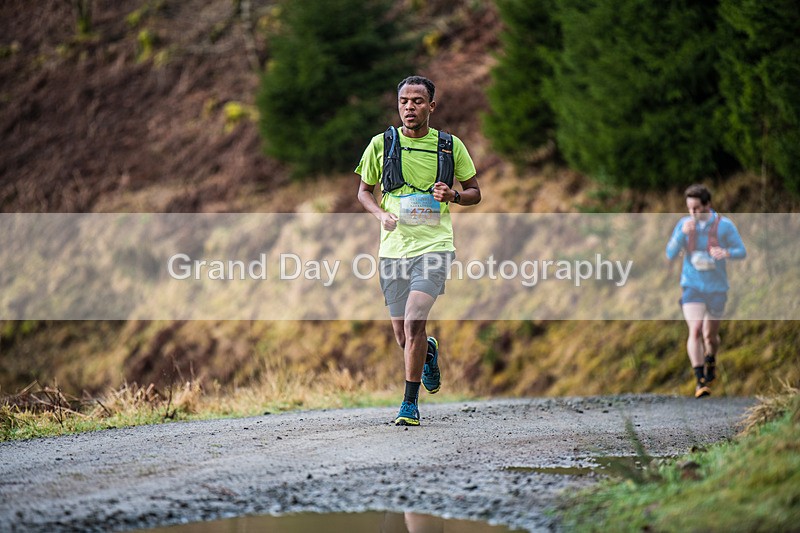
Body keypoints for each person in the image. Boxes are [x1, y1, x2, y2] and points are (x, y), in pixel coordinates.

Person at [356, 75, 481, 425]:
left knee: (414, 321)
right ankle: (428, 354)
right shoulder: (381, 144)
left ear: (431, 106)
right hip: (394, 249)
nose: (410, 107)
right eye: (404, 102)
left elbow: (475, 191)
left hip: (435, 246)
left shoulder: (449, 146)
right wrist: (381, 214)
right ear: (398, 106)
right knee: (403, 335)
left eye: (417, 101)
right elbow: (364, 191)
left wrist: (453, 195)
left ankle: (409, 405)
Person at [666, 184, 746, 398]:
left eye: (697, 208)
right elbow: (670, 253)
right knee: (695, 330)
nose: (692, 213)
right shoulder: (684, 225)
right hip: (691, 285)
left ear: (708, 205)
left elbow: (741, 251)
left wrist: (725, 252)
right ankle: (700, 380)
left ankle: (711, 357)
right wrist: (681, 236)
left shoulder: (724, 226)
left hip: (716, 287)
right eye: (689, 209)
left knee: (709, 335)